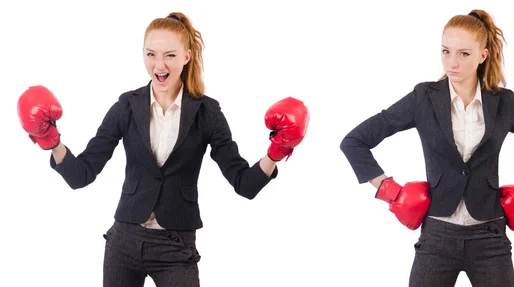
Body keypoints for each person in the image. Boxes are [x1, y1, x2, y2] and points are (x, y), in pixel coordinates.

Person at [17, 12, 310, 287]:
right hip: (124, 242)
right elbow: (82, 175)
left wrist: (277, 150)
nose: (159, 65)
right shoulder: (126, 106)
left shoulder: (207, 111)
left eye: (170, 55)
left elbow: (243, 184)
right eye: (151, 55)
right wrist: (51, 142)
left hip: (176, 246)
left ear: (186, 56)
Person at [339, 9, 514, 287]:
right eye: (445, 51)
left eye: (463, 54)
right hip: (437, 236)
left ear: (482, 56)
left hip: (490, 238)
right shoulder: (422, 98)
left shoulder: (504, 103)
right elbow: (354, 142)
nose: (452, 62)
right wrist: (389, 191)